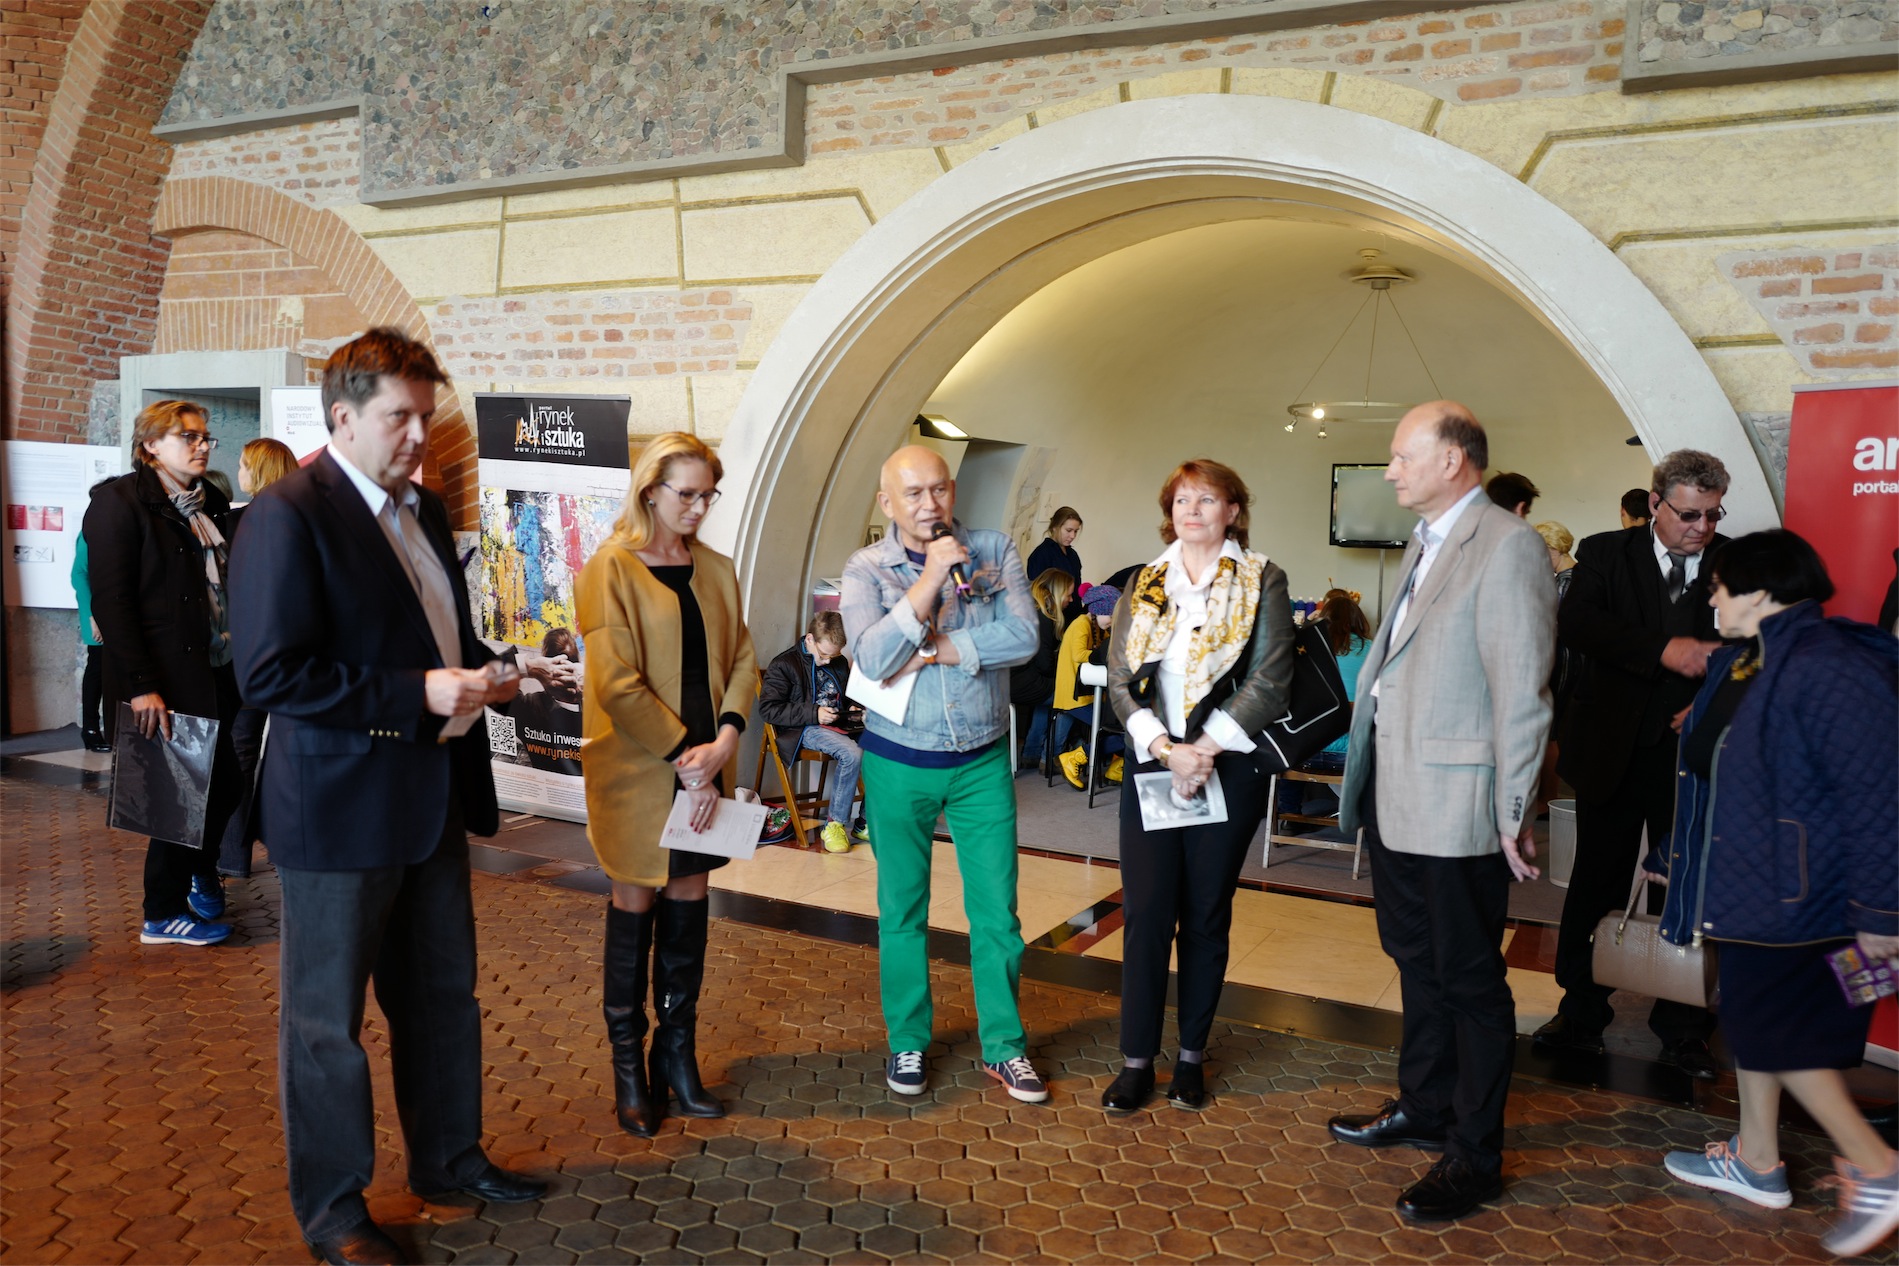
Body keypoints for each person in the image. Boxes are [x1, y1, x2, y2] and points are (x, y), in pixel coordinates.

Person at [230, 329, 542, 1266]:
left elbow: (432, 637)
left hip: (429, 797)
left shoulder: (425, 509)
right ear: (343, 416)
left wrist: (500, 670)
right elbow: (270, 673)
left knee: (442, 997)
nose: (418, 435)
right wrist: (418, 694)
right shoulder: (288, 514)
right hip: (336, 811)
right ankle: (334, 1214)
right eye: (399, 417)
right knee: (327, 1027)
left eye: (426, 416)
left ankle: (449, 1160)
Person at [1327, 401, 1555, 1222]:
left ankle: (1473, 1155)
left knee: (1468, 980)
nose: (1389, 470)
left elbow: (1521, 689)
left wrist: (1512, 807)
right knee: (1413, 959)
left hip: (1458, 803)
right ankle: (1424, 1107)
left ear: (1453, 460)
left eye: (1400, 456)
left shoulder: (1507, 543)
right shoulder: (1424, 541)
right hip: (1396, 792)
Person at [1652, 530, 1898, 1258]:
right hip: (1757, 889)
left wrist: (1882, 916)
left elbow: (1877, 798)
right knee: (1763, 1022)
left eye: (1721, 586)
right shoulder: (1747, 660)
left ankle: (1880, 1170)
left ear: (1761, 591)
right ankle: (1757, 1161)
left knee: (1774, 1032)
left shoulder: (1831, 667)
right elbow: (1722, 774)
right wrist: (1674, 856)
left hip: (1811, 904)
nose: (1711, 598)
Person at [839, 445, 1045, 1103]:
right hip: (898, 760)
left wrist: (935, 649)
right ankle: (907, 1040)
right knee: (902, 909)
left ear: (952, 490)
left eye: (939, 490)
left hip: (981, 761)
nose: (930, 504)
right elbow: (872, 659)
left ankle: (1005, 1048)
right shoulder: (865, 568)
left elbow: (1026, 637)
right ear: (887, 503)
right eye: (914, 493)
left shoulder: (993, 549)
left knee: (997, 913)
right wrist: (929, 578)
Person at [576, 432, 759, 1139]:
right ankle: (629, 1069)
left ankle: (676, 1059)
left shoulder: (716, 568)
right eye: (687, 494)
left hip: (708, 762)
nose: (699, 508)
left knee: (689, 901)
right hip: (640, 771)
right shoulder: (610, 568)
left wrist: (726, 740)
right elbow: (615, 683)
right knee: (635, 902)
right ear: (650, 490)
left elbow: (742, 658)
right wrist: (689, 758)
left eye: (709, 495)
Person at [1101, 459, 1295, 1113]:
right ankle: (1135, 1060)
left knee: (1206, 915)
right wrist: (1166, 749)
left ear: (1232, 511)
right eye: (1182, 500)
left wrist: (1203, 751)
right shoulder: (1144, 582)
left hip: (1225, 767)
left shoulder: (1262, 578)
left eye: (1207, 499)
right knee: (1146, 913)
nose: (1192, 510)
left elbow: (1272, 681)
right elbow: (1120, 681)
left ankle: (1189, 1057)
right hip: (1154, 762)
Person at [1533, 451, 1731, 1078]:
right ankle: (1580, 1011)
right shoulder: (1604, 553)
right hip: (1611, 749)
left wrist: (1714, 700)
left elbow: (1756, 645)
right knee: (1598, 879)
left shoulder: (1733, 562)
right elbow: (1579, 623)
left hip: (1691, 755)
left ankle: (1685, 1028)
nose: (1702, 527)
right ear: (1655, 504)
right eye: (1689, 514)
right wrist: (1663, 649)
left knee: (1686, 885)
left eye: (1713, 514)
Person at [84, 400, 244, 947]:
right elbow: (112, 604)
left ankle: (196, 874)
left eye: (205, 437)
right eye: (187, 436)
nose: (202, 446)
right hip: (164, 679)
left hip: (214, 667)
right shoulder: (118, 504)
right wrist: (141, 686)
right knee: (181, 796)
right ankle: (162, 912)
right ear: (151, 445)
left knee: (222, 786)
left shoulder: (209, 501)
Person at [219, 435, 300, 879]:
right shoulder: (309, 522)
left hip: (247, 657)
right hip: (298, 657)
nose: (239, 472)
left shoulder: (235, 525)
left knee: (240, 753)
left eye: (243, 465)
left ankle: (232, 858)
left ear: (258, 471)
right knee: (293, 756)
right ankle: (290, 855)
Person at [758, 609, 867, 854]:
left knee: (883, 748)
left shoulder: (838, 662)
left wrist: (853, 707)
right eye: (824, 655)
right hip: (803, 728)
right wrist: (814, 713)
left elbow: (847, 696)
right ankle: (834, 825)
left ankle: (865, 822)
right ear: (810, 639)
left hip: (837, 725)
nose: (828, 661)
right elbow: (768, 709)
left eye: (833, 655)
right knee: (852, 753)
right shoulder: (784, 664)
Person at [1053, 582, 1123, 789]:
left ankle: (1115, 766)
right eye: (1111, 616)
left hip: (1088, 694)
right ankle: (1074, 757)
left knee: (1119, 725)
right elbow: (1079, 654)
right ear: (1099, 611)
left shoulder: (1099, 628)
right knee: (1119, 730)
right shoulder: (1081, 624)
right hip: (1075, 697)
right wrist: (1103, 656)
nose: (1113, 621)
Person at [1531, 521, 1579, 818]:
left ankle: (1546, 799)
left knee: (1549, 732)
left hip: (1561, 660)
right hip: (1573, 660)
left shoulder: (1564, 582)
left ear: (1552, 549)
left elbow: (1552, 627)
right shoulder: (1581, 576)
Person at [1013, 567, 1072, 771]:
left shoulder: (1030, 610)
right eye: (1068, 594)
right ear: (1057, 592)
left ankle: (1031, 753)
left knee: (1048, 697)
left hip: (1008, 679)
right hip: (1020, 682)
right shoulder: (1043, 617)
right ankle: (1051, 757)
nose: (1071, 600)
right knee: (1069, 697)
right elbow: (1045, 664)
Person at [71, 480, 114, 752]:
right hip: (96, 613)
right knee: (97, 669)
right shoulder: (89, 531)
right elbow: (79, 574)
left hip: (114, 610)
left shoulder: (116, 528)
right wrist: (92, 616)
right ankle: (90, 729)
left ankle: (113, 728)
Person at [1025, 506, 1083, 590]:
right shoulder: (1040, 555)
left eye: (1076, 531)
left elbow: (1077, 589)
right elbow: (1037, 592)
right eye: (1068, 530)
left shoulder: (1073, 555)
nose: (1073, 536)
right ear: (1055, 527)